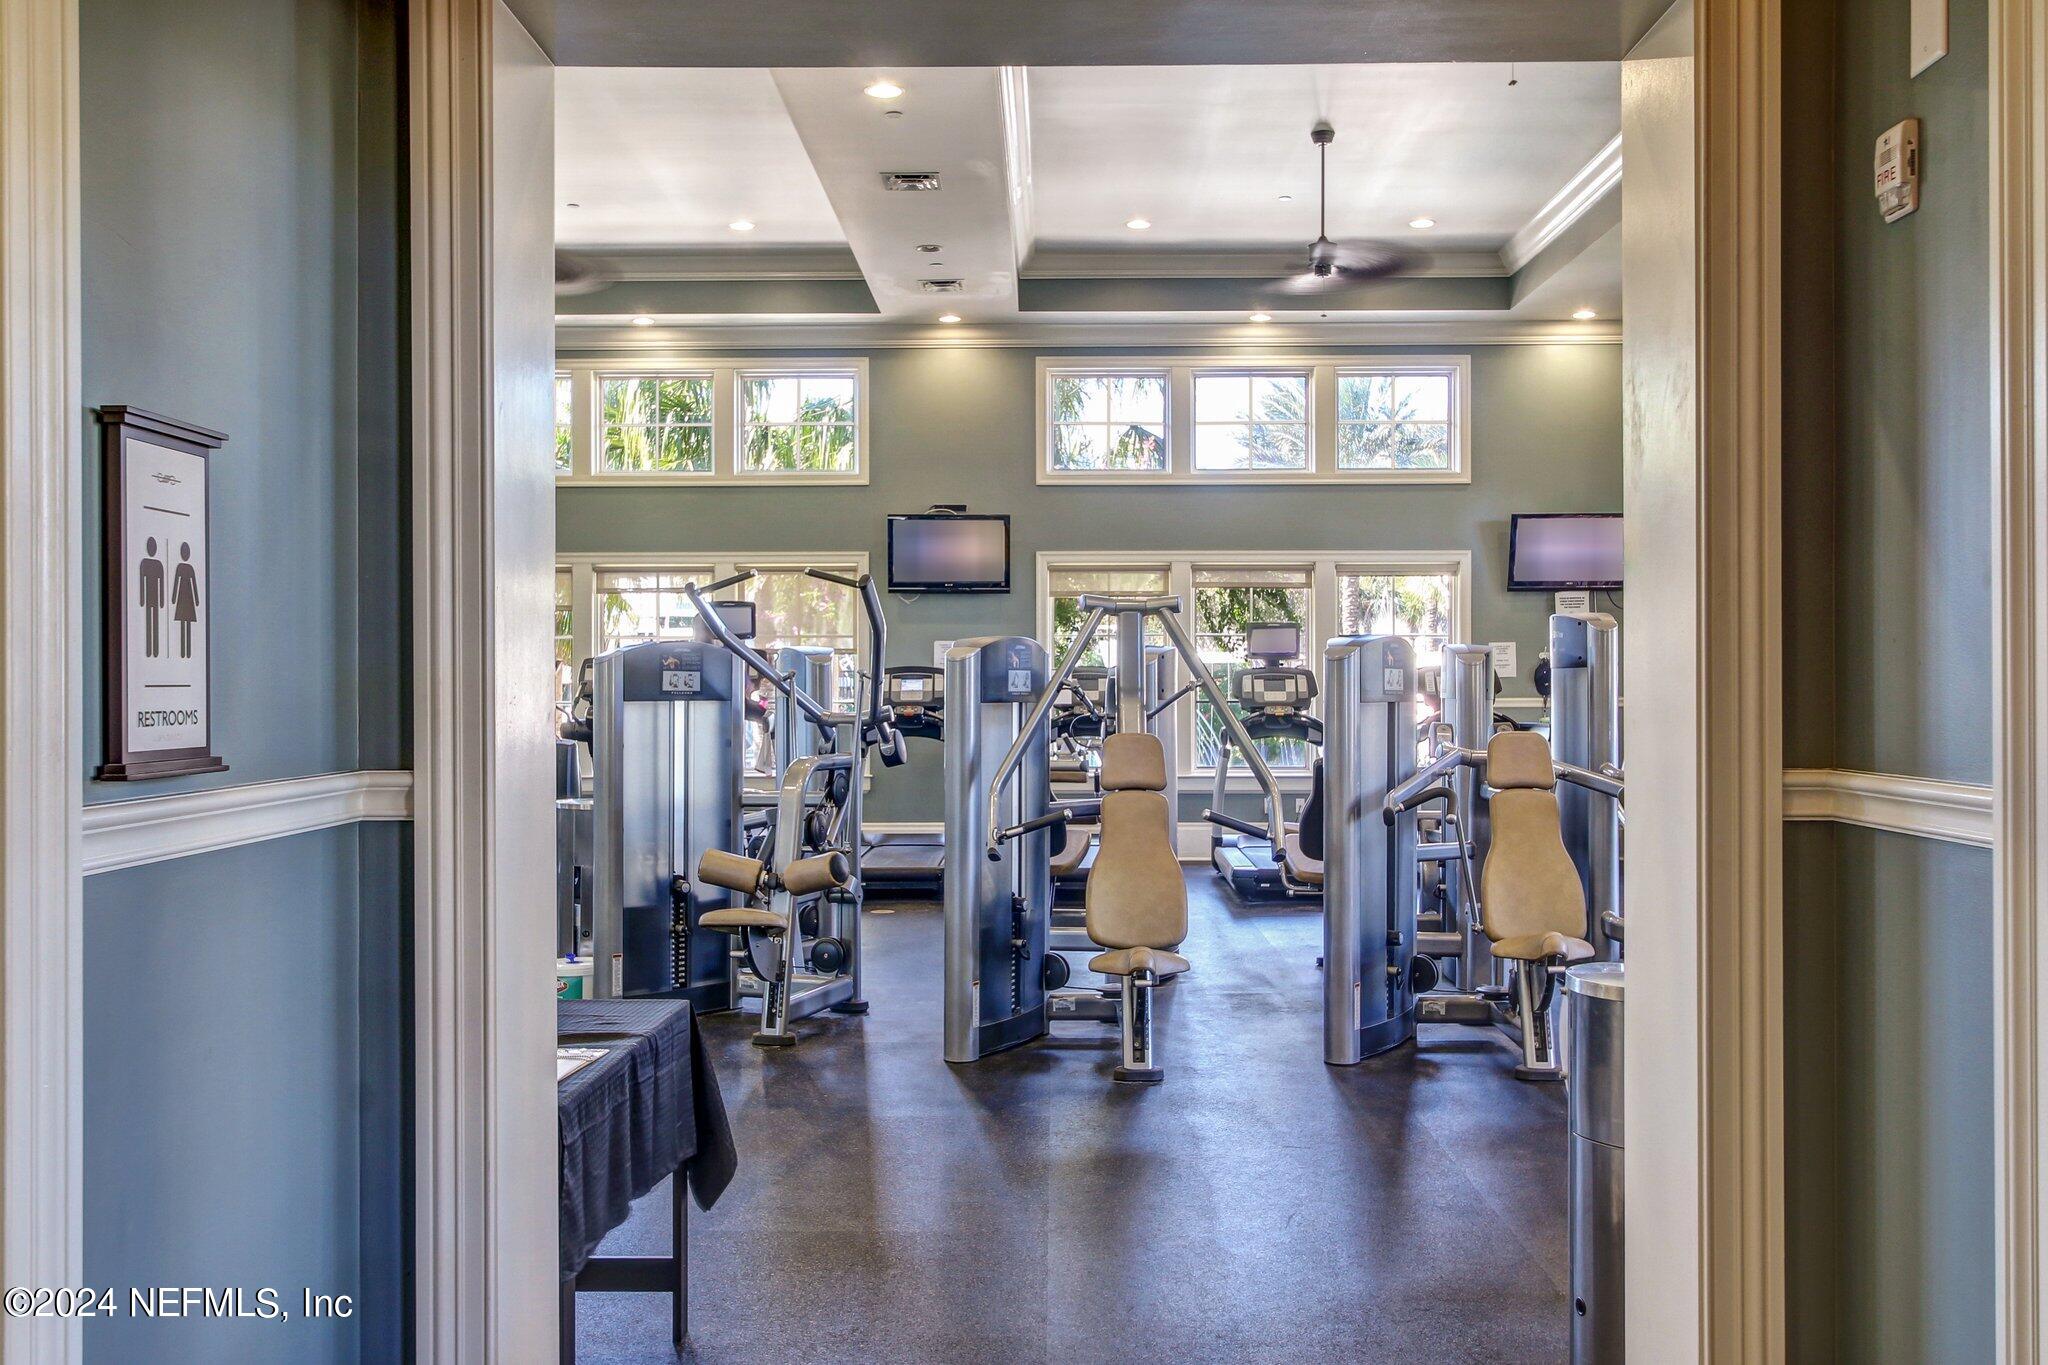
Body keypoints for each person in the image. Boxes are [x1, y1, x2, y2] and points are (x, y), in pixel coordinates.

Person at [171, 541, 200, 659]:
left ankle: (186, 652)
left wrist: (196, 600)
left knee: (186, 624)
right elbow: (177, 584)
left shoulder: (186, 568)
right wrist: (173, 599)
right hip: (184, 600)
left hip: (186, 600)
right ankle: (184, 651)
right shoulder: (184, 568)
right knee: (184, 624)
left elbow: (193, 585)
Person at [138, 536, 165, 658]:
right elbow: (142, 582)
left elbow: (162, 583)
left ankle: (155, 650)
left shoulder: (158, 564)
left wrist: (162, 600)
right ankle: (150, 649)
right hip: (150, 598)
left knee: (154, 621)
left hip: (153, 598)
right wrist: (142, 599)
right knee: (150, 621)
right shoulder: (146, 563)